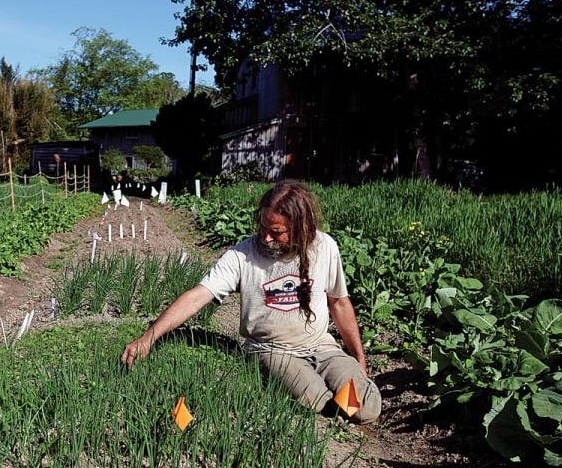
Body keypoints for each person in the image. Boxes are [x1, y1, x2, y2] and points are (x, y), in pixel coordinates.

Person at [121, 180, 381, 424]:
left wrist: (358, 355)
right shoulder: (242, 255)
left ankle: (342, 403)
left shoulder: (325, 247)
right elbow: (198, 296)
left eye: (276, 232)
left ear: (302, 227)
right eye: (263, 227)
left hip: (322, 348)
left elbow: (339, 304)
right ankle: (328, 405)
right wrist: (150, 336)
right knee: (314, 399)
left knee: (363, 407)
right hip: (272, 350)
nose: (266, 237)